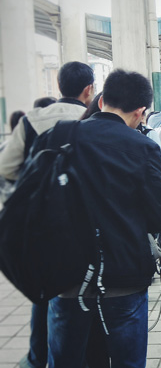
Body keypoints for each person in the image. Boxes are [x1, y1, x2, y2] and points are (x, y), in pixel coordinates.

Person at [32, 69, 161, 368]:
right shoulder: (143, 147)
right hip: (125, 276)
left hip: (66, 277)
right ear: (140, 112)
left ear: (102, 99)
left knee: (66, 362)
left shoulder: (58, 136)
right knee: (127, 362)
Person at [0, 61, 95, 368]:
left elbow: (6, 169)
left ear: (58, 86)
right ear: (89, 90)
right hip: (84, 223)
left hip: (41, 222)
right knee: (76, 290)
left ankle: (38, 356)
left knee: (43, 290)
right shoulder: (91, 121)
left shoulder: (32, 120)